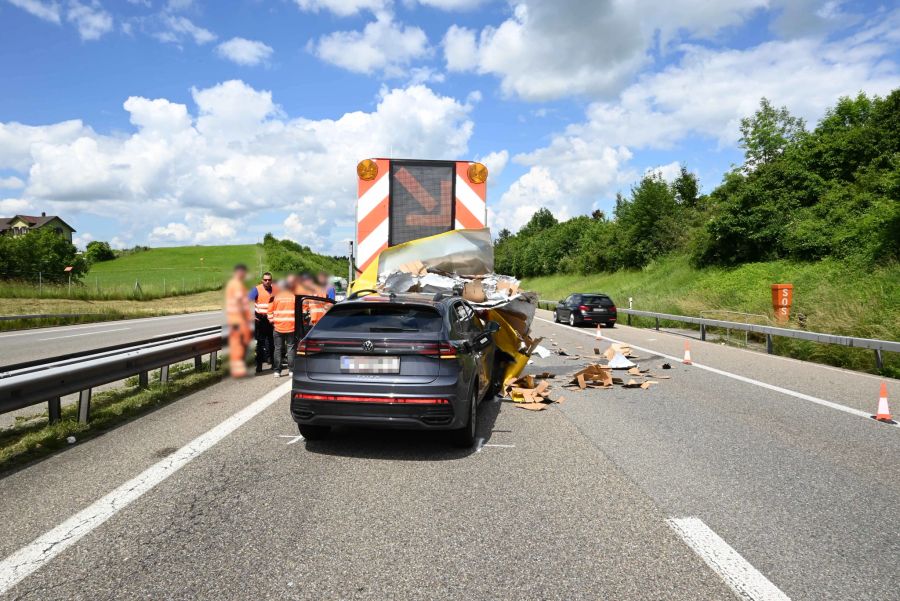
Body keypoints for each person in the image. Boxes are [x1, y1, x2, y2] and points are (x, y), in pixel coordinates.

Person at [224, 264, 252, 378]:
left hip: (235, 319)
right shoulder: (237, 284)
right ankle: (238, 370)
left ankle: (238, 368)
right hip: (238, 320)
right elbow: (240, 301)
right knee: (238, 344)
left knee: (237, 344)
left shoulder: (234, 284)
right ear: (240, 272)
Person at [268, 274, 297, 378]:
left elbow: (269, 311)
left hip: (278, 327)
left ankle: (277, 371)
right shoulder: (294, 297)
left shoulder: (275, 297)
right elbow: (298, 313)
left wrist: (272, 322)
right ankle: (291, 371)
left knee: (278, 349)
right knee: (291, 349)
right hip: (291, 326)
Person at [248, 272, 277, 374]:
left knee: (273, 342)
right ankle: (259, 365)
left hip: (272, 320)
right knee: (260, 344)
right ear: (262, 280)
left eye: (269, 280)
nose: (267, 281)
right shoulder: (257, 289)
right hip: (260, 320)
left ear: (271, 280)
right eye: (265, 280)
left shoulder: (275, 289)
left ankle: (273, 363)